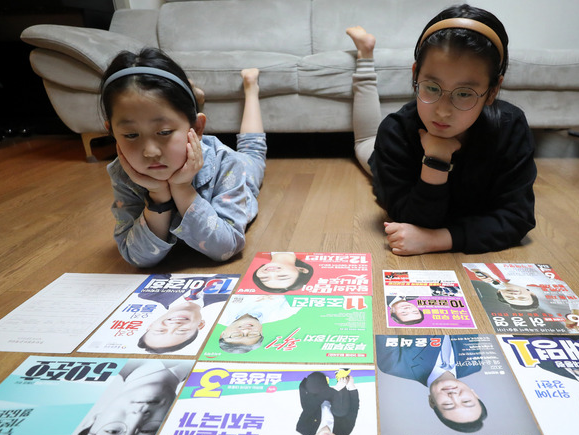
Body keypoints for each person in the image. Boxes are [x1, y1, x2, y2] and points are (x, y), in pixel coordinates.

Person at [347, 4, 536, 256]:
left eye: (465, 93)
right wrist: (435, 161)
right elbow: (412, 221)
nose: (443, 112)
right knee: (365, 141)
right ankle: (365, 53)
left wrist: (438, 240)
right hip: (384, 152)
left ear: (492, 91)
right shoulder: (395, 132)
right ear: (416, 75)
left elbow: (518, 218)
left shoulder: (510, 127)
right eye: (432, 88)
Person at [100, 47, 267, 267]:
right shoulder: (122, 173)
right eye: (131, 135)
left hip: (233, 169)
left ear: (197, 128)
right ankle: (193, 95)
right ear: (111, 132)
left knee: (252, 153)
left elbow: (226, 247)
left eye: (164, 132)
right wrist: (158, 198)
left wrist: (181, 188)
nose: (150, 152)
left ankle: (251, 87)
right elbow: (137, 257)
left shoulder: (226, 163)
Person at [57, 360, 191, 435]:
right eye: (147, 431)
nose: (138, 416)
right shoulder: (197, 378)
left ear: (94, 420)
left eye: (113, 431)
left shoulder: (109, 359)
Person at [376, 335, 486, 432]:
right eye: (466, 401)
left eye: (448, 404)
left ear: (432, 402)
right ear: (474, 394)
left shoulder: (394, 364)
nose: (453, 396)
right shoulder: (473, 364)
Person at [296, 371, 359, 435]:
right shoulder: (344, 432)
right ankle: (342, 378)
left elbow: (312, 405)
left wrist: (334, 389)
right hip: (338, 398)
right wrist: (351, 387)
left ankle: (325, 383)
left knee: (315, 379)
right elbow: (353, 409)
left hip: (316, 398)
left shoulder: (303, 428)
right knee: (340, 412)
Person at [217, 295, 301, 354]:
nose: (246, 330)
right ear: (261, 333)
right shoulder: (282, 313)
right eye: (252, 334)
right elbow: (302, 293)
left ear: (222, 334)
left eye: (237, 335)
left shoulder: (216, 313)